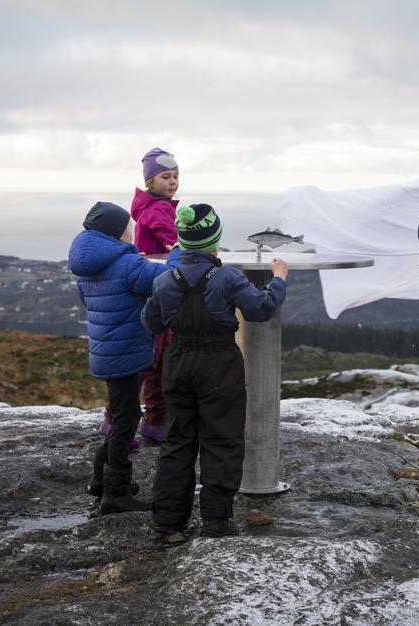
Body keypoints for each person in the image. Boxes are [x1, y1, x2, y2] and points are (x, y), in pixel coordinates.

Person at [142, 203, 288, 543]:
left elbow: (151, 321)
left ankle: (168, 524)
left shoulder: (166, 280)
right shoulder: (227, 277)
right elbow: (261, 309)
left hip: (177, 362)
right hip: (219, 364)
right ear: (214, 242)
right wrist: (279, 279)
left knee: (177, 442)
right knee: (221, 439)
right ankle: (217, 520)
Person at [68, 201, 181, 515]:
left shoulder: (91, 266)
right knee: (126, 420)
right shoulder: (127, 265)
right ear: (117, 233)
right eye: (128, 226)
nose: (133, 230)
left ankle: (101, 480)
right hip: (127, 353)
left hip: (106, 352)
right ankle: (116, 492)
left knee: (122, 414)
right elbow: (168, 281)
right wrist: (177, 254)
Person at [97, 147, 180, 446]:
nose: (172, 182)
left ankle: (146, 421)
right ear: (150, 181)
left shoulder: (150, 206)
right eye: (165, 177)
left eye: (175, 176)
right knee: (150, 363)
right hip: (156, 293)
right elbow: (174, 242)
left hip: (152, 292)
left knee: (155, 362)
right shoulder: (158, 209)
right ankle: (126, 421)